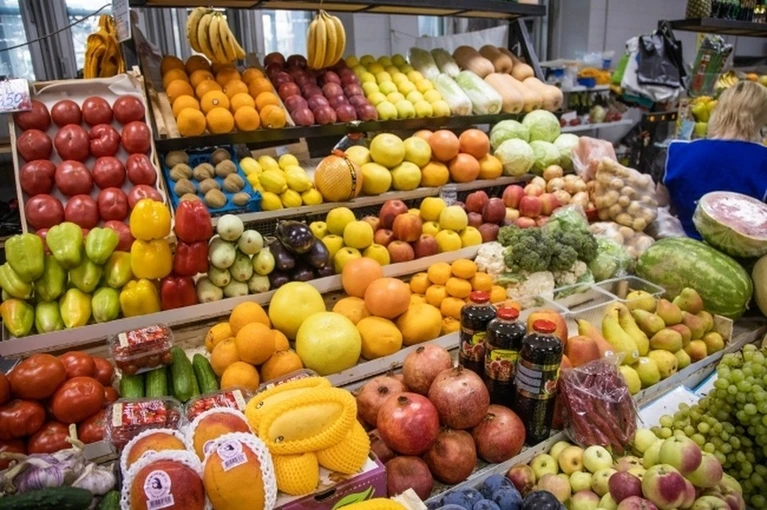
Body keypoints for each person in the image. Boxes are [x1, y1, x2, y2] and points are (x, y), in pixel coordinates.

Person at [664, 80, 767, 238]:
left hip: (682, 246)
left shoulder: (678, 151)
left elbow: (659, 204)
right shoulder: (762, 159)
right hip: (742, 253)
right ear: (761, 118)